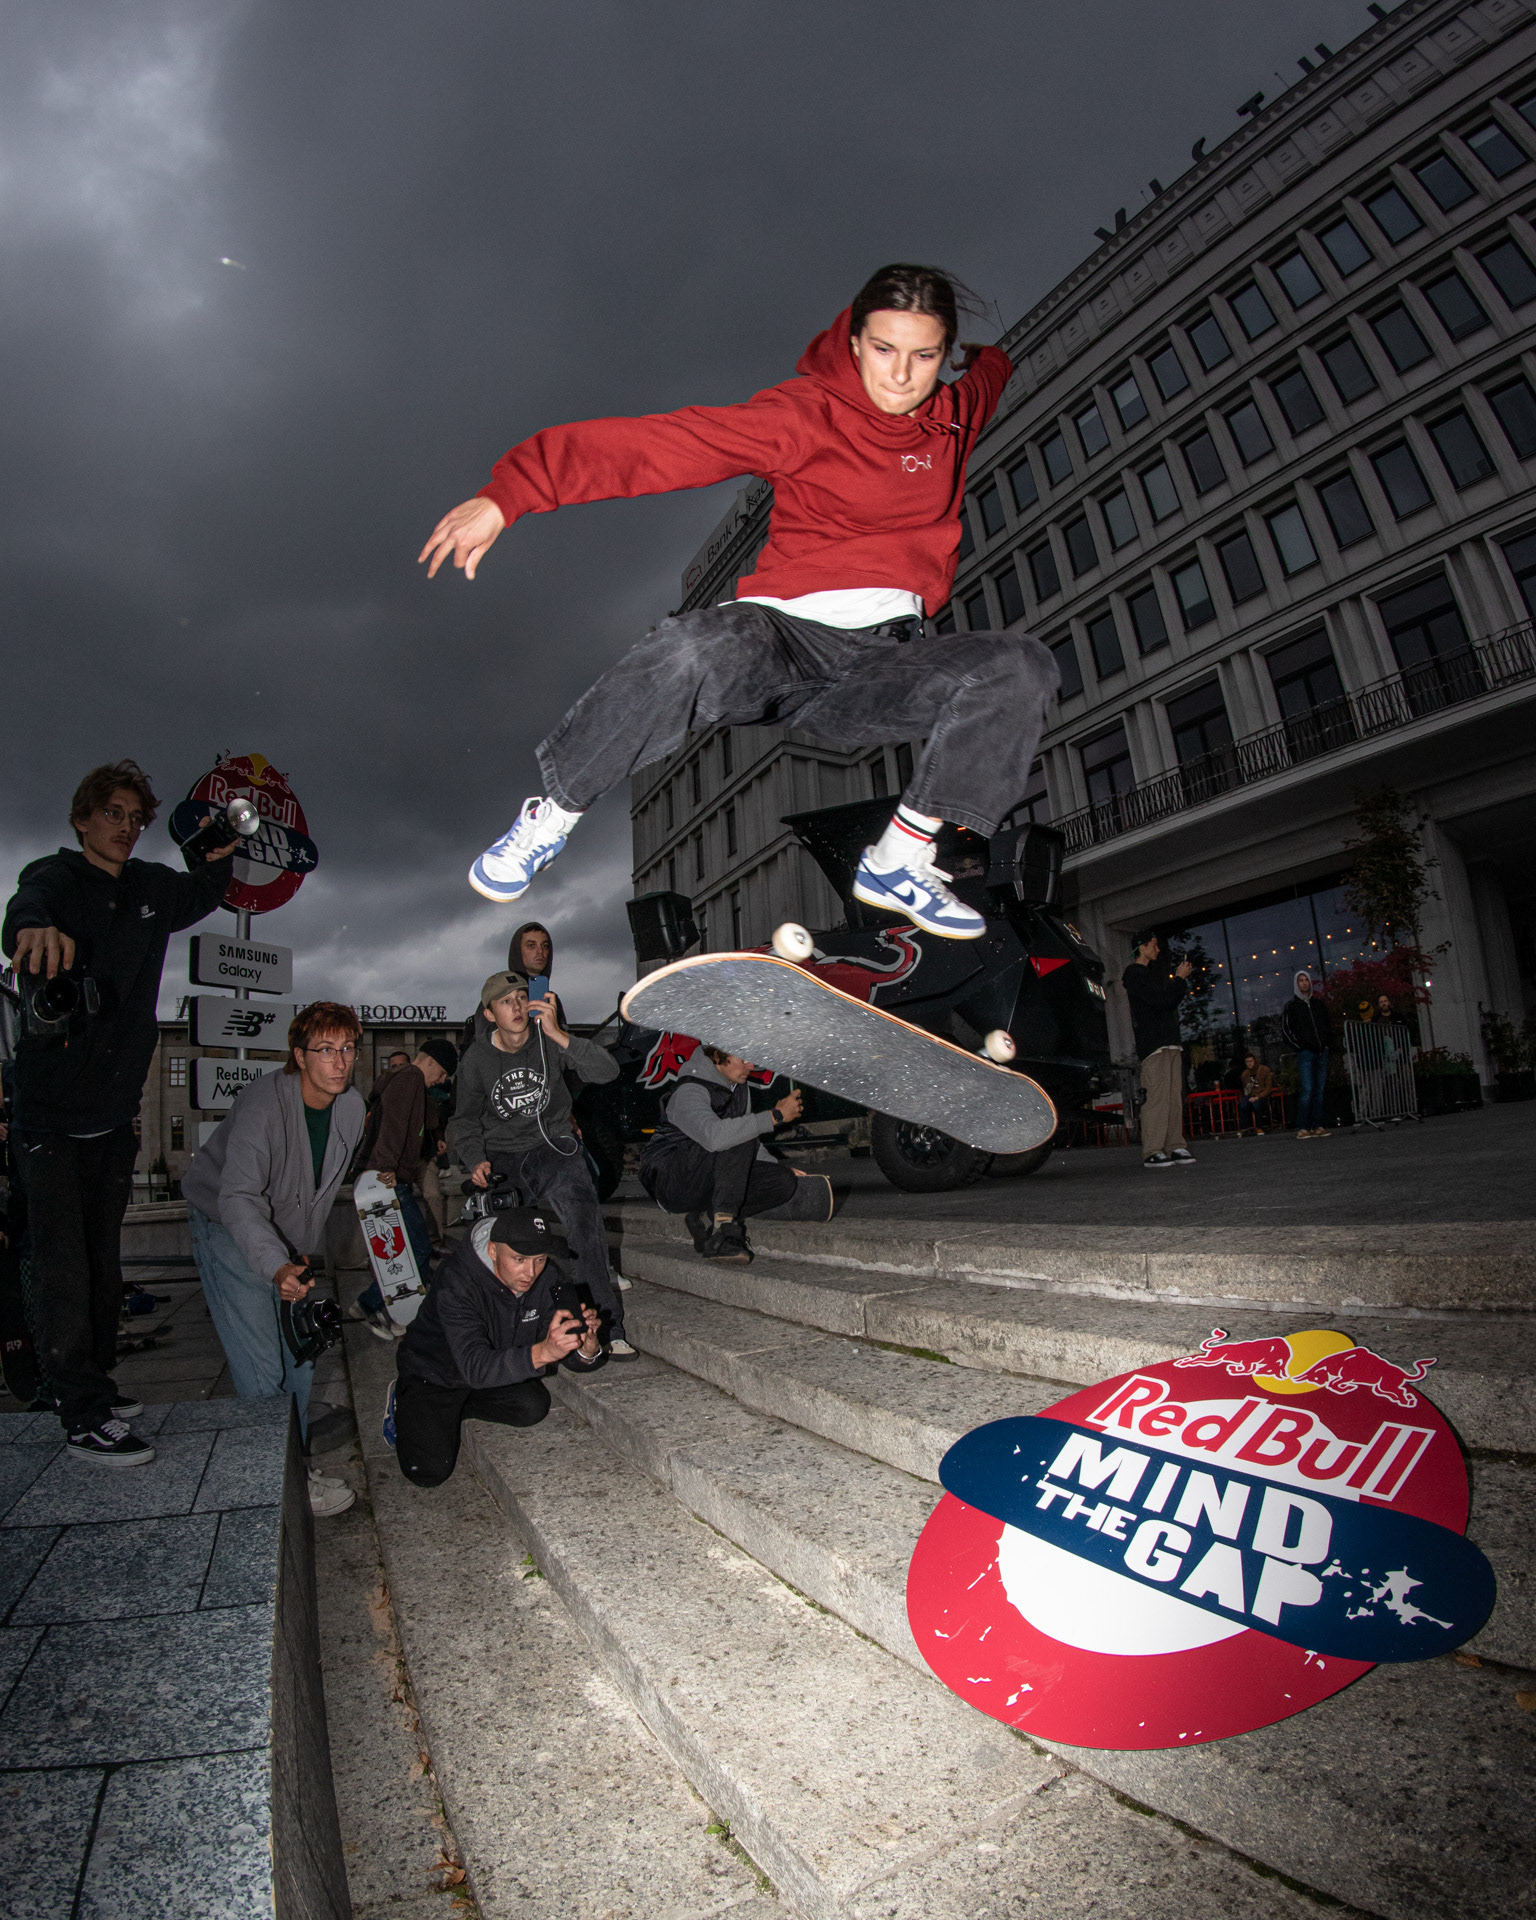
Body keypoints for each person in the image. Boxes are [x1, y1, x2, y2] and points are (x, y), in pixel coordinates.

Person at [421, 263, 1057, 942]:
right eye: (883, 349)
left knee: (1020, 665)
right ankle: (552, 815)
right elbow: (657, 446)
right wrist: (512, 493)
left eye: (923, 356)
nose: (900, 376)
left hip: (884, 667)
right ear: (853, 342)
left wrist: (981, 358)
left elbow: (991, 373)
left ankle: (900, 859)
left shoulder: (954, 416)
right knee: (692, 647)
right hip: (784, 640)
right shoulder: (802, 414)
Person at [1, 760, 235, 1465]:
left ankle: (96, 1380)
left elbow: (202, 893)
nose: (126, 828)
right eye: (113, 814)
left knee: (104, 1255)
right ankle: (79, 1412)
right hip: (48, 1110)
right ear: (82, 818)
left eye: (136, 818)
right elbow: (26, 906)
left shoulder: (149, 888)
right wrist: (34, 928)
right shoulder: (56, 877)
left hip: (112, 1107)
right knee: (62, 1263)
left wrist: (217, 854)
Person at [182, 1002, 366, 1516]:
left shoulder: (351, 1107)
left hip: (288, 1244)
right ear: (299, 1056)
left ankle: (293, 1472)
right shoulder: (264, 1103)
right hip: (225, 1225)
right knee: (263, 1369)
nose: (340, 1062)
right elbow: (239, 1197)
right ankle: (277, 1489)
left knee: (300, 1357)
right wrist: (276, 1265)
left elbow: (316, 1192)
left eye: (348, 1049)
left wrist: (297, 1255)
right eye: (325, 1050)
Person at [449, 971, 634, 1357]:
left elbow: (608, 1071)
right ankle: (506, 1327)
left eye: (521, 997)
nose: (516, 1006)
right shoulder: (477, 1059)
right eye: (505, 1001)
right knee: (505, 1240)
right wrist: (475, 1159)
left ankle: (605, 1327)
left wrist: (559, 1034)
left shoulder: (549, 1040)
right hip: (503, 1155)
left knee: (584, 1222)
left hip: (554, 1148)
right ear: (489, 1014)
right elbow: (464, 1119)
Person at [384, 1205, 606, 1489]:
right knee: (428, 1472)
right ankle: (405, 1400)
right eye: (519, 1259)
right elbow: (475, 1366)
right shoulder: (457, 1280)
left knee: (532, 1406)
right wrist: (543, 1352)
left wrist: (586, 1347)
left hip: (489, 1370)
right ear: (492, 1250)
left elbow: (572, 1354)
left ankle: (454, 1412)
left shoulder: (549, 1277)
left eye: (539, 1259)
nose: (531, 1272)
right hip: (435, 1374)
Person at [639, 1048, 832, 1262]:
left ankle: (703, 1216)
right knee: (734, 1133)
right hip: (669, 1180)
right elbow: (717, 1137)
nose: (751, 1066)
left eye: (752, 1059)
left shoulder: (739, 1088)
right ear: (717, 1056)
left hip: (705, 1174)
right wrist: (775, 1116)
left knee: (782, 1181)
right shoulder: (689, 1089)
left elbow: (748, 1140)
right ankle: (723, 1233)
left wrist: (773, 1166)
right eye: (743, 1059)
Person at [355, 1039, 459, 1333]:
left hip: (386, 1176)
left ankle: (413, 1311)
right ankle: (369, 1304)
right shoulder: (410, 1077)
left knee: (411, 1249)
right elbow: (395, 1123)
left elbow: (413, 1125)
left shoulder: (408, 1082)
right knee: (418, 1246)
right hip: (388, 1178)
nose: (442, 1079)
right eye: (442, 1073)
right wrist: (387, 1166)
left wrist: (433, 1138)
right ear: (431, 1062)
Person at [1121, 932, 1195, 1170]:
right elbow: (1161, 1000)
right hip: (1154, 1045)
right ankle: (1153, 1150)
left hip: (1169, 1042)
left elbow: (1166, 1002)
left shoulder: (1150, 975)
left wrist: (1177, 983)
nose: (1158, 949)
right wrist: (1180, 979)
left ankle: (1175, 1145)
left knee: (1173, 1098)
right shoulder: (1134, 974)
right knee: (1157, 1097)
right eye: (1153, 945)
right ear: (1141, 947)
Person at [1282, 970, 1333, 1139]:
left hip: (1321, 1051)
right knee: (1308, 1089)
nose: (1304, 983)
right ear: (1296, 984)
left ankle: (1318, 1125)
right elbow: (1286, 1030)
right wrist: (1300, 1046)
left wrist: (1326, 1044)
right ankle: (1303, 1127)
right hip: (1305, 1053)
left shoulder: (1318, 1004)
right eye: (1301, 980)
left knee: (1319, 1090)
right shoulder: (1291, 1006)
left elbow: (1327, 1025)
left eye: (1306, 980)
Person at [1238, 1054, 1275, 1135]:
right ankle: (1245, 1128)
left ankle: (1259, 1127)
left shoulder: (1264, 1070)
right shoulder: (1245, 1074)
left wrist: (1258, 1097)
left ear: (1255, 1061)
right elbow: (1245, 1089)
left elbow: (1268, 1088)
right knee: (1243, 1104)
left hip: (1262, 1095)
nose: (1249, 1063)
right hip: (1251, 1094)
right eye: (1247, 1062)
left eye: (1251, 1061)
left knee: (1256, 1105)